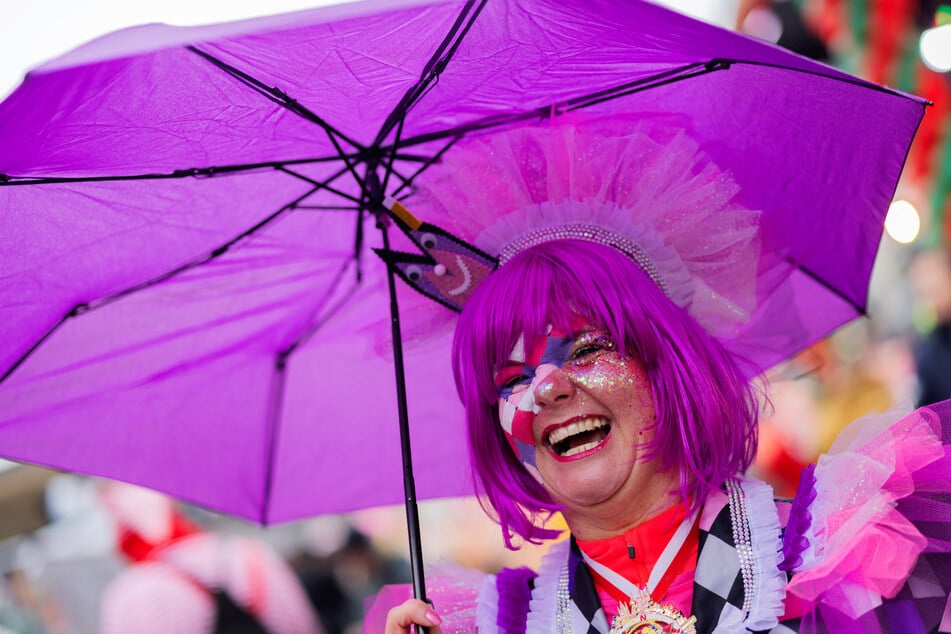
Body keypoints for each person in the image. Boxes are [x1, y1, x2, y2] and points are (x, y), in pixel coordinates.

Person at [370, 116, 951, 633]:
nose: (546, 388)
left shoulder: (838, 560)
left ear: (668, 368)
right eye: (512, 379)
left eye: (586, 349)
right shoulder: (494, 624)